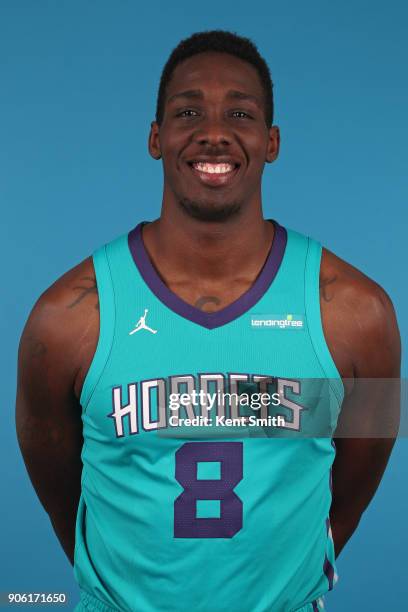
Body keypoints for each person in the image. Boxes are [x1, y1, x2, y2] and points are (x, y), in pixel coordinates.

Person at [16, 30, 401, 612]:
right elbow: (59, 488)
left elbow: (363, 462)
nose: (214, 131)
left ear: (272, 141)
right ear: (156, 137)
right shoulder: (67, 319)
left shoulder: (358, 315)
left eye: (240, 113)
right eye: (188, 110)